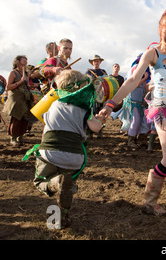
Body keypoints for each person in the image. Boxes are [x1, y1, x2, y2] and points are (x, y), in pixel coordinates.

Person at [99, 7, 166, 216]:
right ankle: (150, 201)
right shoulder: (152, 53)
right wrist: (111, 104)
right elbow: (132, 80)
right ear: (160, 30)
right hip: (162, 110)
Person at [23, 70, 106, 228]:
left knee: (40, 181)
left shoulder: (54, 104)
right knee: (67, 189)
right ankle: (61, 219)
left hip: (50, 153)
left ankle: (54, 183)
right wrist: (101, 120)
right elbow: (95, 128)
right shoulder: (85, 110)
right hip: (74, 158)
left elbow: (46, 125)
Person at [119, 54, 152, 148]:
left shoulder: (145, 70)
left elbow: (145, 86)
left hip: (141, 100)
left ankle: (142, 139)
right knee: (135, 120)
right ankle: (131, 140)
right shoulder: (135, 68)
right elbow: (134, 84)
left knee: (145, 120)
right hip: (133, 100)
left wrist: (147, 95)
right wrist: (145, 78)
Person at [3, 55, 34, 147]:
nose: (26, 63)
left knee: (25, 118)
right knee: (17, 118)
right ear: (18, 62)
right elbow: (8, 87)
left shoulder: (26, 73)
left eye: (26, 61)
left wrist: (33, 86)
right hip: (16, 98)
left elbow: (26, 86)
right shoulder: (13, 73)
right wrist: (20, 81)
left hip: (25, 98)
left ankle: (20, 137)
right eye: (24, 61)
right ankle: (13, 138)